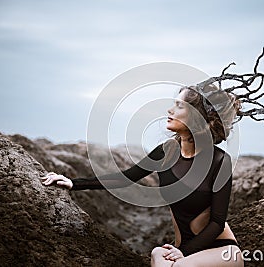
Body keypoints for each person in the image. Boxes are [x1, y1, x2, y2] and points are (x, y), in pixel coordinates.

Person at [41, 84, 244, 267]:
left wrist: (183, 252)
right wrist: (74, 183)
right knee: (157, 254)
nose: (170, 110)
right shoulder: (166, 152)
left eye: (179, 106)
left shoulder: (219, 161)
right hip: (185, 251)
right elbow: (125, 177)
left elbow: (217, 223)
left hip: (220, 250)